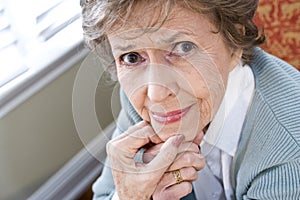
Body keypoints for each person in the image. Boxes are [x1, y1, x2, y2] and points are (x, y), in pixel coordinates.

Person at [80, 0, 300, 199]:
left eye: (183, 48)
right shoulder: (142, 99)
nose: (156, 93)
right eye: (132, 57)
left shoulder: (290, 151)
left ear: (233, 44)